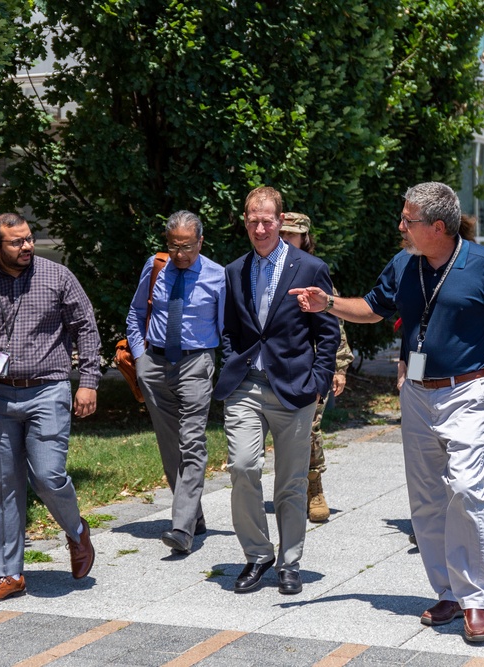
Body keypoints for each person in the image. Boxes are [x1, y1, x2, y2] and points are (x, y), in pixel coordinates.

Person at [291, 182, 484, 643]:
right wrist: (328, 305)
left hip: (468, 389)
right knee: (426, 499)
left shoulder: (483, 264)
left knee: (464, 488)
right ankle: (446, 591)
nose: (400, 226)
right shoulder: (404, 264)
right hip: (417, 392)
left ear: (436, 227)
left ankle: (476, 599)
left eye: (408, 220)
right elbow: (371, 308)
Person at [0, 212, 99, 604]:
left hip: (48, 390)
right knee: (3, 487)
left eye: (30, 239)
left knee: (48, 475)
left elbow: (86, 327)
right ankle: (8, 574)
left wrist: (88, 382)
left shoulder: (57, 277)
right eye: (16, 242)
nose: (27, 247)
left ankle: (76, 530)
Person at [214, 186, 340, 595]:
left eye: (267, 219)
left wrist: (319, 382)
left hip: (294, 389)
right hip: (246, 386)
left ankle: (290, 562)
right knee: (243, 467)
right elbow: (231, 329)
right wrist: (234, 361)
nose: (260, 227)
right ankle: (257, 554)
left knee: (290, 482)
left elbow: (328, 332)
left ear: (281, 221)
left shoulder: (310, 268)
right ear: (245, 221)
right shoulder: (234, 270)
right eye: (253, 220)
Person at [125, 211, 225, 554]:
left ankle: (181, 528)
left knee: (192, 441)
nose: (180, 254)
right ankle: (194, 515)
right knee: (170, 445)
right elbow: (136, 313)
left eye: (187, 246)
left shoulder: (217, 276)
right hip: (154, 363)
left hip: (196, 362)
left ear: (200, 241)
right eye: (174, 245)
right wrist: (140, 358)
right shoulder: (155, 267)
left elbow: (227, 327)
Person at [279, 211, 354, 523]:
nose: (285, 241)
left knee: (309, 428)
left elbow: (333, 324)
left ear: (304, 238)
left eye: (291, 235)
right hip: (275, 364)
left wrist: (339, 367)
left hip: (309, 367)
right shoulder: (265, 270)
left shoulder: (313, 272)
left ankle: (314, 487)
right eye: (281, 235)